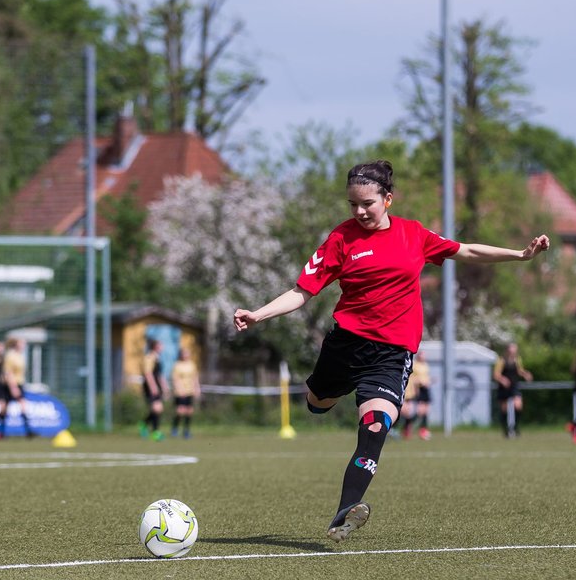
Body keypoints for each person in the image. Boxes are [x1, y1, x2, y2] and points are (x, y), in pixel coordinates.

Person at [233, 160, 549, 543]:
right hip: (346, 345)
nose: (360, 211)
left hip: (391, 354)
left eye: (367, 203)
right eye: (353, 204)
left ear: (388, 199)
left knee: (376, 426)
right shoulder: (341, 240)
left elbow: (464, 250)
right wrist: (259, 314)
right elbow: (303, 291)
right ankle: (324, 397)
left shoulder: (413, 235)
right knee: (316, 402)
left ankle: (343, 513)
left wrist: (519, 255)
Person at [493, 342, 533, 438]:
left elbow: (519, 371)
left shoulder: (517, 359)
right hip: (503, 388)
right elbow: (496, 375)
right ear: (507, 350)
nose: (513, 352)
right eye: (511, 349)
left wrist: (526, 374)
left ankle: (515, 427)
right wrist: (503, 379)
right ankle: (505, 430)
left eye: (514, 349)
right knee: (504, 409)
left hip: (514, 386)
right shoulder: (501, 360)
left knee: (518, 406)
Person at [3, 337, 35, 437]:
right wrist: (13, 387)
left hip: (20, 383)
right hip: (11, 384)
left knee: (22, 405)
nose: (23, 346)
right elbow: (8, 372)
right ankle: (0, 430)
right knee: (5, 407)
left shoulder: (20, 356)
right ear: (16, 345)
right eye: (22, 343)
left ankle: (28, 431)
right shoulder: (10, 356)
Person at [139, 338, 169, 441]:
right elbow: (148, 374)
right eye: (161, 345)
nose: (162, 347)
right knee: (157, 408)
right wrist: (153, 387)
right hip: (150, 386)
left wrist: (165, 387)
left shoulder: (158, 358)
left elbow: (160, 375)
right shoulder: (149, 357)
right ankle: (155, 432)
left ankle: (144, 424)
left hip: (157, 386)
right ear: (155, 346)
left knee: (158, 409)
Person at [400, 352, 433, 440]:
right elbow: (413, 378)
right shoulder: (414, 365)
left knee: (426, 410)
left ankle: (422, 430)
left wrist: (429, 381)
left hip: (425, 389)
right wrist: (417, 387)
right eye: (422, 355)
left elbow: (425, 376)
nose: (423, 357)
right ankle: (407, 428)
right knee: (417, 411)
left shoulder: (425, 365)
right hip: (418, 389)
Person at [170, 346, 201, 439]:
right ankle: (175, 428)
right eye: (184, 353)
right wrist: (179, 389)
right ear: (181, 354)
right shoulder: (177, 365)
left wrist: (197, 388)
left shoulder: (192, 364)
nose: (186, 355)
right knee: (180, 411)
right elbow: (175, 379)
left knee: (189, 411)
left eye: (187, 353)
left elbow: (195, 377)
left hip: (190, 391)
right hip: (180, 392)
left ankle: (186, 431)